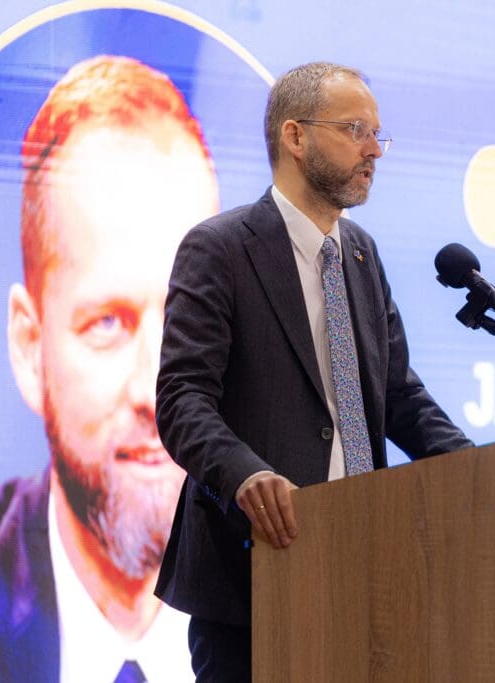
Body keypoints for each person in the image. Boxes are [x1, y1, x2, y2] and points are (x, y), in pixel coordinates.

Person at [154, 61, 472, 680]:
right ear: (295, 137)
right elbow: (183, 399)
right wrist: (245, 474)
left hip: (361, 563)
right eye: (355, 130)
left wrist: (480, 468)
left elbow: (397, 393)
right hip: (255, 570)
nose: (374, 150)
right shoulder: (220, 248)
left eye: (377, 134)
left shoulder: (360, 252)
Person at [0, 55, 217, 681]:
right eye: (108, 322)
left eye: (190, 320)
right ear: (29, 347)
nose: (155, 391)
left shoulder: (308, 599)